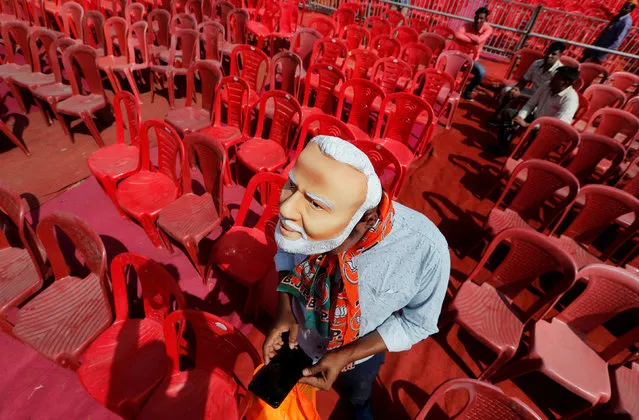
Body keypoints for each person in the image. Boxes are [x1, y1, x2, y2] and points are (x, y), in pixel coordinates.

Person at [263, 136, 450, 419]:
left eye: (315, 205)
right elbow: (287, 251)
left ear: (367, 220)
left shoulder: (425, 250)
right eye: (292, 186)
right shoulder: (300, 203)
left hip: (357, 358)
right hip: (298, 334)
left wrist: (345, 355)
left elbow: (416, 323)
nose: (288, 210)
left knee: (358, 396)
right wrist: (285, 309)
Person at [484, 66, 581, 156]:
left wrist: (527, 125)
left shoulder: (571, 99)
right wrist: (520, 117)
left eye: (556, 77)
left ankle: (524, 157)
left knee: (532, 146)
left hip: (550, 130)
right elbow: (530, 104)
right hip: (535, 119)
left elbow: (556, 126)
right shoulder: (547, 85)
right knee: (508, 113)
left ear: (565, 82)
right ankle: (502, 146)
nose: (552, 79)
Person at [491, 41, 566, 122]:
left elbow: (544, 97)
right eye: (548, 52)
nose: (549, 55)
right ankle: (503, 116)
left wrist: (520, 95)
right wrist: (516, 89)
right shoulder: (537, 63)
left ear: (560, 56)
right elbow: (524, 80)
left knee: (534, 110)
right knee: (507, 90)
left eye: (553, 54)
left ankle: (511, 119)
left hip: (542, 100)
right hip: (532, 92)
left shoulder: (559, 72)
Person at [456, 7, 493, 101]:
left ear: (486, 20)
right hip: (460, 56)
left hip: (473, 59)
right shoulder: (466, 25)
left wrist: (466, 35)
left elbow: (480, 40)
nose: (478, 20)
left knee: (481, 72)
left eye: (481, 18)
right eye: (476, 18)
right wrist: (474, 39)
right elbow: (457, 35)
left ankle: (468, 91)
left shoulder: (488, 29)